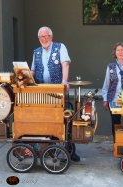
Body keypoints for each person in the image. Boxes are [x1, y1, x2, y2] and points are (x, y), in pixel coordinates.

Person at [31, 26, 80, 162]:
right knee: (44, 119)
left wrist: (64, 81)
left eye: (46, 36)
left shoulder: (60, 47)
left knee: (65, 119)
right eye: (41, 37)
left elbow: (65, 64)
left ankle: (70, 150)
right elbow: (33, 71)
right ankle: (46, 147)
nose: (43, 39)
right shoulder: (36, 52)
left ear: (51, 37)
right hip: (42, 91)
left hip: (58, 90)